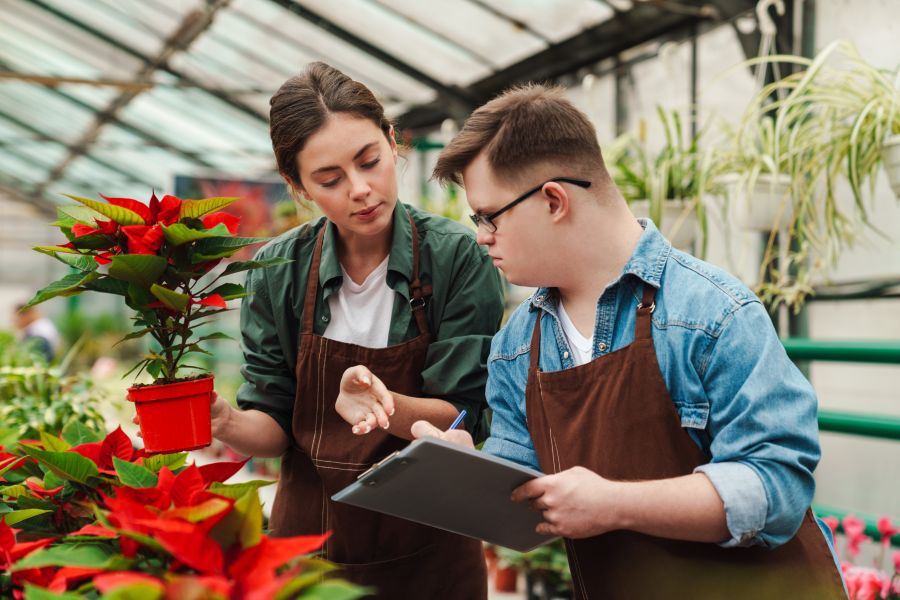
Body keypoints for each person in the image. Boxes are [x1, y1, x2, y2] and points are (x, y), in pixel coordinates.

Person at [409, 85, 847, 599]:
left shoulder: (710, 313)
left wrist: (614, 503)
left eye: (489, 216)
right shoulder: (516, 344)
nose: (481, 235)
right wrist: (468, 470)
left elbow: (776, 488)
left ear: (554, 199)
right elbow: (528, 500)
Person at [209, 63, 501, 599]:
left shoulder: (455, 256)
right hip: (309, 555)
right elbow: (274, 425)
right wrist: (226, 421)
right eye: (330, 179)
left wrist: (385, 402)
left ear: (393, 143)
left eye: (370, 161)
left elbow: (466, 412)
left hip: (430, 553)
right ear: (297, 187)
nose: (361, 190)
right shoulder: (278, 271)